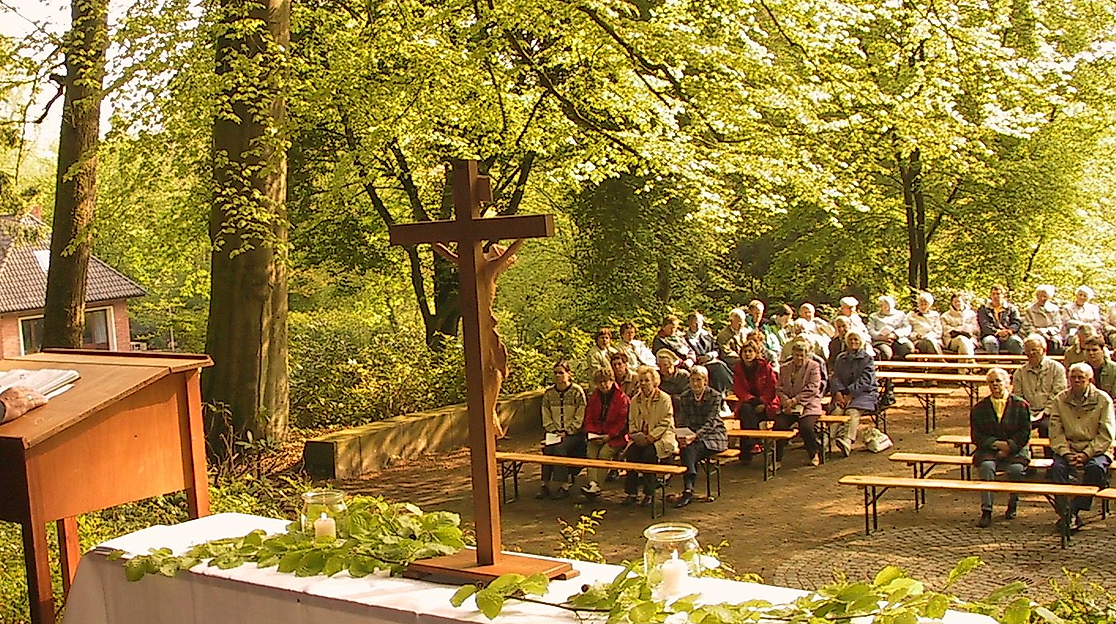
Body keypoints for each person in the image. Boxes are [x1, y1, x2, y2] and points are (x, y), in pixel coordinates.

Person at [433, 240, 523, 439]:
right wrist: (433, 242)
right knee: (492, 366)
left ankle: (491, 416)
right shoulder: (474, 264)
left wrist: (523, 237)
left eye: (494, 249)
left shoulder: (489, 268)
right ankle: (490, 417)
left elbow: (509, 252)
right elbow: (450, 256)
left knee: (497, 364)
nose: (492, 247)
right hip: (478, 321)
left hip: (483, 321)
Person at [1048, 362, 1115, 531]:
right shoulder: (1060, 399)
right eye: (1073, 377)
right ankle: (1066, 512)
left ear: (1090, 380)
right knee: (1056, 469)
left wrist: (1086, 454)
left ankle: (1073, 510)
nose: (1076, 380)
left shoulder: (1102, 399)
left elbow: (1106, 434)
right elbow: (1055, 431)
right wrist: (1066, 452)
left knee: (1095, 469)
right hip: (1068, 447)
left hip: (1096, 449)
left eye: (1081, 378)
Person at [970, 368, 1031, 528]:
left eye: (998, 381)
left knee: (1016, 470)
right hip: (989, 450)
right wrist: (995, 444)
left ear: (1007, 383)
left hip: (1016, 449)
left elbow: (1025, 432)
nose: (995, 384)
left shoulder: (1020, 405)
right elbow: (976, 435)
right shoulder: (979, 408)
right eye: (991, 382)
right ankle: (987, 509)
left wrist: (1009, 446)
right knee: (987, 467)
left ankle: (1013, 504)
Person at [623, 365, 679, 507]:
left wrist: (651, 437)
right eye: (641, 381)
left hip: (661, 438)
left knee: (649, 454)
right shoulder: (635, 400)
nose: (643, 384)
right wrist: (636, 435)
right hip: (641, 437)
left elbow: (666, 421)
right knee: (631, 453)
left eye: (646, 381)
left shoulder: (664, 398)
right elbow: (631, 421)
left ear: (654, 381)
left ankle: (649, 493)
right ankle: (631, 493)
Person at [673, 365, 728, 507]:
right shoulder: (685, 397)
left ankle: (688, 489)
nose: (695, 384)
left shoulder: (714, 396)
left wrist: (694, 437)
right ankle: (688, 488)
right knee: (687, 447)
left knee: (690, 449)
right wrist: (681, 435)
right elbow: (682, 419)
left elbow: (711, 422)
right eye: (692, 380)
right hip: (692, 435)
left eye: (699, 380)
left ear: (706, 381)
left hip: (713, 435)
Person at [538, 361, 587, 499]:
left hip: (573, 434)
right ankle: (545, 484)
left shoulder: (577, 392)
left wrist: (568, 431)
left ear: (568, 374)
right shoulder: (549, 394)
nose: (558, 376)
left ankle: (563, 485)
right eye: (556, 373)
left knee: (560, 448)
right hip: (554, 432)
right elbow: (545, 414)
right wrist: (553, 430)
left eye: (561, 373)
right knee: (548, 448)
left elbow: (580, 415)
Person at [580, 367, 630, 498]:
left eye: (606, 381)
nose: (603, 385)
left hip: (616, 437)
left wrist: (609, 436)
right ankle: (592, 483)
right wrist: (591, 432)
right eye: (600, 382)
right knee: (590, 453)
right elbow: (589, 417)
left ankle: (598, 486)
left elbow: (622, 422)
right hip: (597, 434)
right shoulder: (594, 397)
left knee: (603, 454)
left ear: (612, 381)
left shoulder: (621, 398)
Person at [1012, 334, 1066, 454]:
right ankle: (1024, 459)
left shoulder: (1057, 369)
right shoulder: (1019, 373)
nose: (1031, 353)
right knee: (1014, 427)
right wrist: (1027, 413)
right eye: (1027, 350)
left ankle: (1050, 460)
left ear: (1044, 350)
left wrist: (1044, 412)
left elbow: (1057, 395)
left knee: (1046, 426)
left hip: (1051, 412)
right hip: (1027, 412)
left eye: (1035, 350)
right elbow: (1017, 397)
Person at [774, 340, 825, 466]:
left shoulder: (814, 366)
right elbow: (779, 387)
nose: (799, 358)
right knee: (779, 426)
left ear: (806, 355)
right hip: (788, 406)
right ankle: (777, 459)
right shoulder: (785, 368)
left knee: (805, 427)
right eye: (797, 355)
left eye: (802, 355)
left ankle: (814, 453)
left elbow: (813, 388)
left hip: (808, 404)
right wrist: (786, 401)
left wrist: (796, 400)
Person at [829, 331, 878, 457]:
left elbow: (866, 380)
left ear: (860, 342)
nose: (853, 342)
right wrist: (838, 393)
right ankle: (827, 439)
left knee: (852, 411)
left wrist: (850, 394)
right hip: (843, 393)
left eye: (856, 340)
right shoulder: (841, 358)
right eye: (850, 340)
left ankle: (847, 440)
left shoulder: (867, 359)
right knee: (837, 410)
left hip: (864, 393)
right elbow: (835, 377)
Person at [732, 340, 780, 460]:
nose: (747, 354)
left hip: (766, 404)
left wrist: (763, 402)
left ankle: (751, 445)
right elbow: (738, 388)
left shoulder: (765, 367)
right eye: (745, 351)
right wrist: (751, 399)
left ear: (756, 353)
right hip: (748, 403)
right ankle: (754, 442)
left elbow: (772, 386)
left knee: (747, 415)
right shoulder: (738, 369)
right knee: (746, 410)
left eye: (750, 351)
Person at [684, 311, 734, 392]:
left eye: (699, 323)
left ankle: (723, 391)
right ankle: (734, 386)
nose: (697, 326)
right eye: (695, 323)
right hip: (699, 364)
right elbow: (688, 353)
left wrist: (709, 356)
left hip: (710, 359)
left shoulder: (706, 335)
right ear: (689, 324)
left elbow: (716, 348)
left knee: (720, 366)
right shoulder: (685, 338)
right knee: (718, 366)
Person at [978, 285, 1024, 355]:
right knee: (990, 341)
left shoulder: (1011, 308)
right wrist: (997, 332)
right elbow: (985, 324)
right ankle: (993, 364)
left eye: (998, 294)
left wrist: (1008, 332)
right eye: (993, 294)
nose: (995, 296)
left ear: (1003, 295)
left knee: (1016, 341)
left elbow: (1016, 322)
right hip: (991, 334)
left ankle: (1017, 364)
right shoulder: (984, 309)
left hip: (1009, 335)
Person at [867, 295, 914, 361]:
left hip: (898, 339)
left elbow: (907, 328)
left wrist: (895, 334)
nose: (886, 308)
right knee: (886, 353)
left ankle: (903, 368)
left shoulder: (901, 315)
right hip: (881, 340)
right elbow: (870, 330)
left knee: (908, 348)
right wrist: (881, 337)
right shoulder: (874, 316)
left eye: (888, 306)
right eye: (884, 306)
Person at [1023, 285, 1065, 354]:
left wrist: (1046, 331)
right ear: (1037, 296)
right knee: (1034, 342)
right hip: (1035, 333)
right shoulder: (1030, 309)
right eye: (1040, 296)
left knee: (1054, 342)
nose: (1042, 298)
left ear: (1049, 297)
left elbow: (1058, 325)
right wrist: (1040, 332)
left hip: (1051, 334)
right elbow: (1028, 326)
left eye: (1045, 296)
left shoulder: (1054, 309)